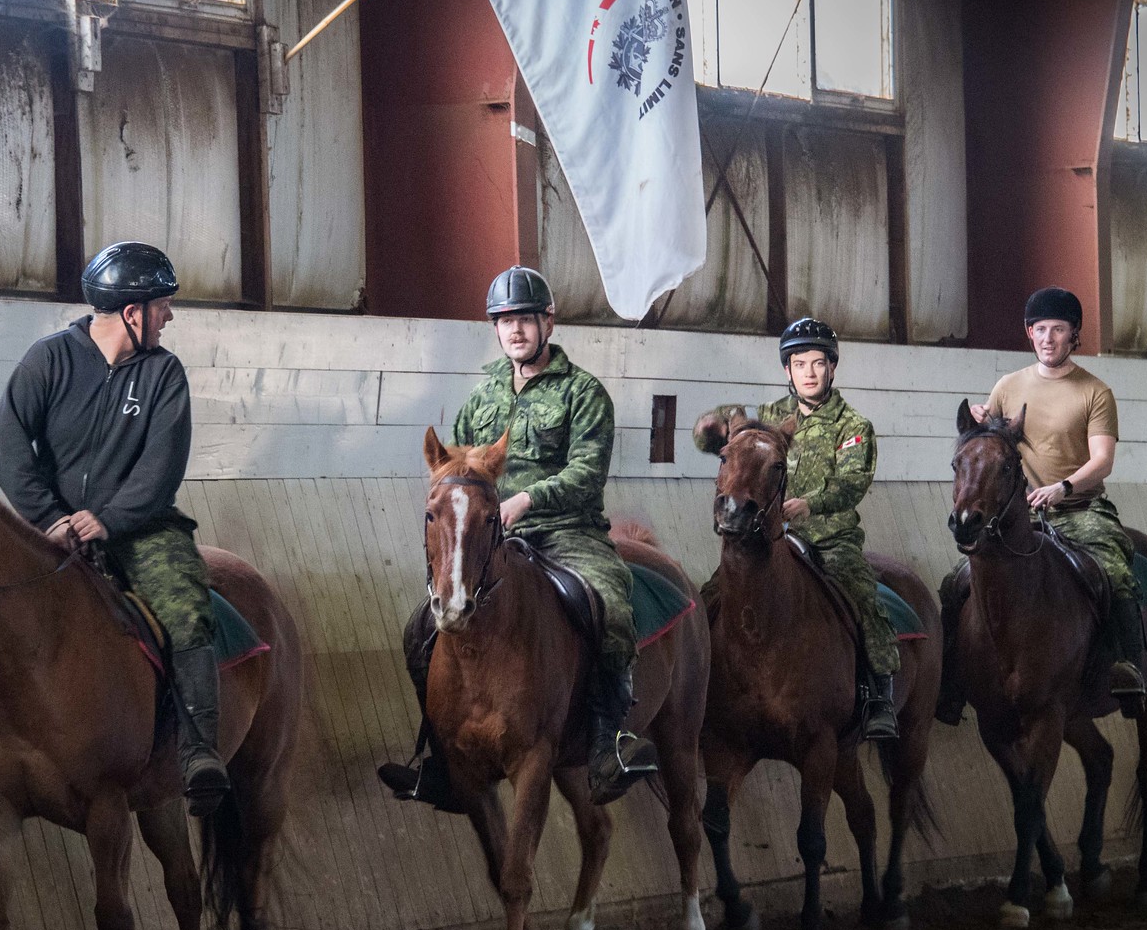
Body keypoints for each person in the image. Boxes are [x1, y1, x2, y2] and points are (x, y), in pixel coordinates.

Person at [378, 266, 654, 809]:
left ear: (547, 322)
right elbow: (454, 469)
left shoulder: (584, 393)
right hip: (489, 540)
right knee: (420, 629)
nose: (515, 331)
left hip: (566, 532)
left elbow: (587, 472)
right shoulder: (481, 398)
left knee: (611, 606)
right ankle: (441, 759)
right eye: (505, 322)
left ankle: (607, 744)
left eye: (524, 319)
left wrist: (526, 499)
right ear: (495, 329)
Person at [0, 241, 232, 816]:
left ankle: (199, 751)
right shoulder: (47, 361)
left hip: (142, 529)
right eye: (163, 306)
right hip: (53, 528)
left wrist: (110, 518)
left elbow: (163, 464)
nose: (169, 317)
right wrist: (48, 518)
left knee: (186, 605)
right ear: (132, 312)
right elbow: (7, 444)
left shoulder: (164, 373)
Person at [940, 284, 1145, 721]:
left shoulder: (1095, 392)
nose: (1048, 338)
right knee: (955, 582)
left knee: (1114, 568)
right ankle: (951, 681)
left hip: (1078, 509)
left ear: (1074, 335)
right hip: (1018, 519)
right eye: (1040, 329)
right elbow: (990, 442)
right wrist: (979, 416)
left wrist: (1063, 488)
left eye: (1058, 329)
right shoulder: (1008, 385)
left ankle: (1128, 667)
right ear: (1029, 333)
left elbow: (1103, 460)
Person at [693, 317, 901, 741]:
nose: (809, 372)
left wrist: (811, 503)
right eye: (799, 363)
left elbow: (851, 482)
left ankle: (878, 696)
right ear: (787, 370)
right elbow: (719, 441)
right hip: (765, 535)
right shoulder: (767, 418)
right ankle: (695, 688)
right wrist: (709, 425)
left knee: (862, 594)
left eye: (818, 363)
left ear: (832, 368)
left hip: (829, 537)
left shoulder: (852, 426)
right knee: (711, 595)